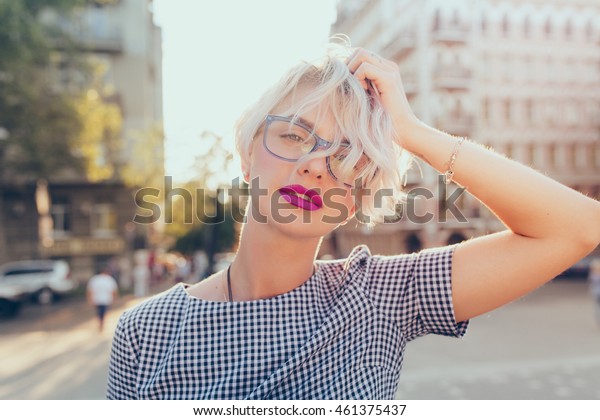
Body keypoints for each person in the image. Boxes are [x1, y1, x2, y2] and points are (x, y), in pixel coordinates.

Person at [107, 42, 600, 399]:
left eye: (347, 154)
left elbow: (577, 227)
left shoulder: (382, 297)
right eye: (296, 135)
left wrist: (412, 131)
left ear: (362, 195)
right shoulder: (145, 332)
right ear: (246, 153)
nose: (316, 165)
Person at [87, 267, 118, 333]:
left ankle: (101, 323)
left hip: (97, 299)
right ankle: (101, 323)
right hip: (106, 299)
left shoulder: (94, 279)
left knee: (99, 312)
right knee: (103, 312)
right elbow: (113, 290)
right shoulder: (109, 279)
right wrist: (114, 298)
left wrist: (90, 299)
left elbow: (90, 291)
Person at [589, 258, 600, 325]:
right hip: (597, 293)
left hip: (596, 293)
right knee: (597, 308)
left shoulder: (593, 274)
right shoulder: (594, 275)